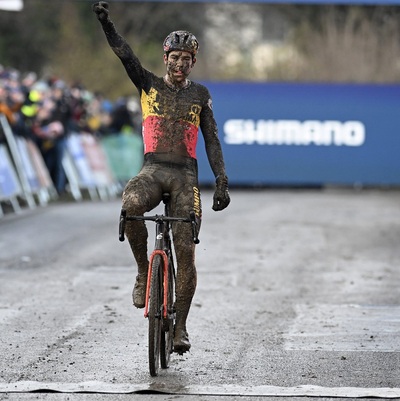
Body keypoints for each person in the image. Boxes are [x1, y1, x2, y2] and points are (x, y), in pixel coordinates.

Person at [93, 1, 230, 354]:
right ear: (166, 58)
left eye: (187, 59)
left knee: (186, 252)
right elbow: (125, 55)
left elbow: (212, 139)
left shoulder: (200, 95)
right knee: (131, 203)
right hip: (153, 170)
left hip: (185, 177)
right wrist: (107, 25)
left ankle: (180, 327)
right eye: (175, 58)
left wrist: (222, 181)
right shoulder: (148, 84)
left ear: (193, 63)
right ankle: (143, 271)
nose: (181, 64)